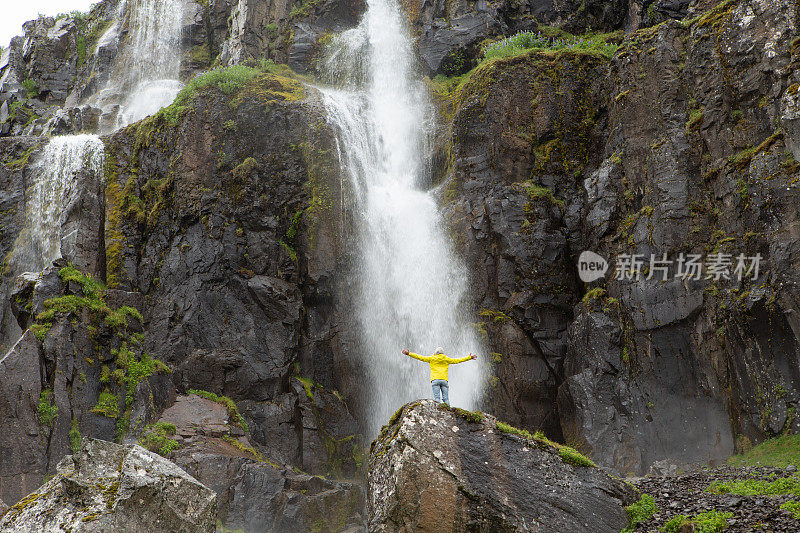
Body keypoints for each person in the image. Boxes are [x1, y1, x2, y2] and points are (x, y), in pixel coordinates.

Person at [402, 347, 477, 406]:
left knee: (437, 398)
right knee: (446, 399)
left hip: (435, 380)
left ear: (435, 353)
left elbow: (420, 357)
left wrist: (409, 354)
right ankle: (448, 411)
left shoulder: (431, 358)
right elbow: (457, 360)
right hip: (444, 380)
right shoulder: (447, 359)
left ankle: (438, 412)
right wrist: (469, 358)